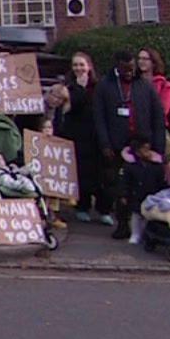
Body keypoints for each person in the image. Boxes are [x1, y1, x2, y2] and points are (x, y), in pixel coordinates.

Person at [93, 50, 167, 241]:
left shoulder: (145, 86)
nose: (129, 73)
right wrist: (105, 144)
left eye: (132, 69)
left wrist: (158, 147)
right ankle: (123, 224)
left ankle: (148, 226)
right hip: (117, 145)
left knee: (145, 186)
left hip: (143, 145)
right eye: (125, 70)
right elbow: (99, 118)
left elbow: (158, 117)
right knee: (120, 188)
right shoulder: (105, 86)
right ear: (117, 66)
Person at [58, 51, 106, 223]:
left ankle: (103, 209)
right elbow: (65, 110)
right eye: (75, 65)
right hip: (76, 134)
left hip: (95, 134)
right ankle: (82, 207)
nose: (78, 68)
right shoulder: (68, 87)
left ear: (89, 67)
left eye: (81, 65)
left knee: (100, 173)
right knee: (81, 173)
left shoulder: (98, 86)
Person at [137, 46, 170, 128]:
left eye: (145, 59)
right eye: (139, 58)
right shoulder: (134, 82)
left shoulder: (165, 85)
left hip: (156, 127)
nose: (141, 61)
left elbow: (164, 109)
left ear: (153, 62)